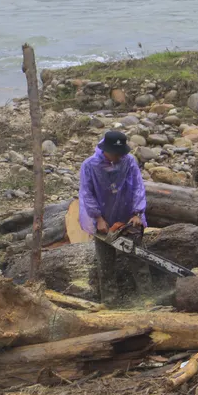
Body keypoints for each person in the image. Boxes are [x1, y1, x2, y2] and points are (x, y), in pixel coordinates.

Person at [79, 130, 148, 305]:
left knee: (138, 260)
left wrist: (137, 212)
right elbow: (87, 194)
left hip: (127, 218)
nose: (118, 157)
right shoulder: (90, 166)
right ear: (105, 149)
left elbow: (137, 187)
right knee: (106, 265)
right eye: (115, 154)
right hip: (103, 220)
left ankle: (148, 298)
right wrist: (98, 218)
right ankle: (110, 303)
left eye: (120, 153)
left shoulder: (129, 162)